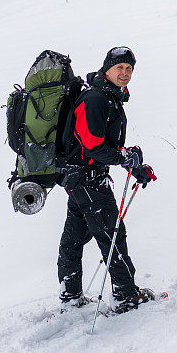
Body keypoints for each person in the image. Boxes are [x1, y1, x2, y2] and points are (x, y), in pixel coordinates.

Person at [57, 46, 156, 312]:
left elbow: (102, 147)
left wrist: (134, 167)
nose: (124, 73)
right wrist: (125, 157)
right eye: (119, 68)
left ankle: (70, 296)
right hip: (89, 182)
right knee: (113, 238)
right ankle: (125, 296)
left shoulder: (109, 97)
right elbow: (93, 147)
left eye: (129, 69)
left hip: (82, 180)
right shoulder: (96, 99)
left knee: (74, 239)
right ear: (106, 69)